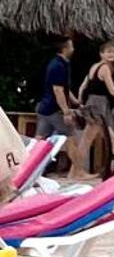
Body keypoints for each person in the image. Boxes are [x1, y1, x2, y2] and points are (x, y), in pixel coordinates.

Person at [77, 40, 114, 176]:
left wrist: (81, 101)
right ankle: (110, 168)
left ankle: (80, 170)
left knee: (93, 138)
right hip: (99, 104)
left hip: (92, 103)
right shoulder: (104, 68)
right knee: (108, 137)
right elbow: (112, 90)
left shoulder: (94, 67)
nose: (112, 54)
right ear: (101, 53)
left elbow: (82, 87)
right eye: (108, 51)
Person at [35, 35, 82, 169]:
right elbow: (58, 90)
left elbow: (64, 88)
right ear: (64, 48)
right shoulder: (58, 66)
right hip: (55, 110)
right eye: (71, 46)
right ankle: (78, 171)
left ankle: (29, 167)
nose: (73, 49)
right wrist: (66, 111)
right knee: (70, 137)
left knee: (40, 140)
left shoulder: (58, 64)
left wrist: (76, 102)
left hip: (45, 109)